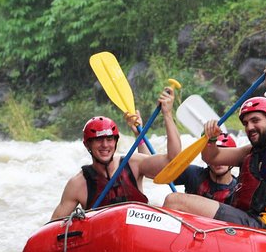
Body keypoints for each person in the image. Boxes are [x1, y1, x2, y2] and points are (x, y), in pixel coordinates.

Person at [163, 55, 266, 233]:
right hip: (246, 220)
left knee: (175, 201)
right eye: (245, 123)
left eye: (255, 120)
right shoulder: (254, 151)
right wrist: (211, 139)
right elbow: (212, 156)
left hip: (264, 228)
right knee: (177, 201)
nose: (249, 127)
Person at [51, 86, 181, 220]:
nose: (105, 145)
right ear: (87, 144)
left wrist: (167, 114)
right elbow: (52, 227)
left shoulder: (133, 164)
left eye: (109, 139)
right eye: (98, 140)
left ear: (116, 142)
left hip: (138, 234)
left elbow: (172, 161)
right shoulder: (78, 184)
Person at [125, 111, 239, 203]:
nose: (218, 161)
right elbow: (152, 169)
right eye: (215, 155)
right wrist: (140, 136)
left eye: (222, 156)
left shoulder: (238, 189)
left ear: (231, 159)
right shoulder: (194, 174)